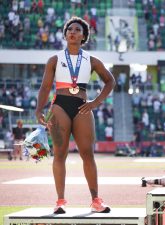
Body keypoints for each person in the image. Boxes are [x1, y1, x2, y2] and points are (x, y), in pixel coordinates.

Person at [35, 17, 115, 214]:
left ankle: (95, 200)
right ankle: (60, 201)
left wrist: (96, 102)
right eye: (69, 29)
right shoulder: (54, 59)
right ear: (65, 34)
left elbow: (110, 81)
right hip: (59, 106)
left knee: (87, 153)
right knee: (59, 154)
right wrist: (38, 109)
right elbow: (45, 87)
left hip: (82, 106)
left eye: (77, 30)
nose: (72, 32)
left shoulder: (91, 60)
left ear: (83, 36)